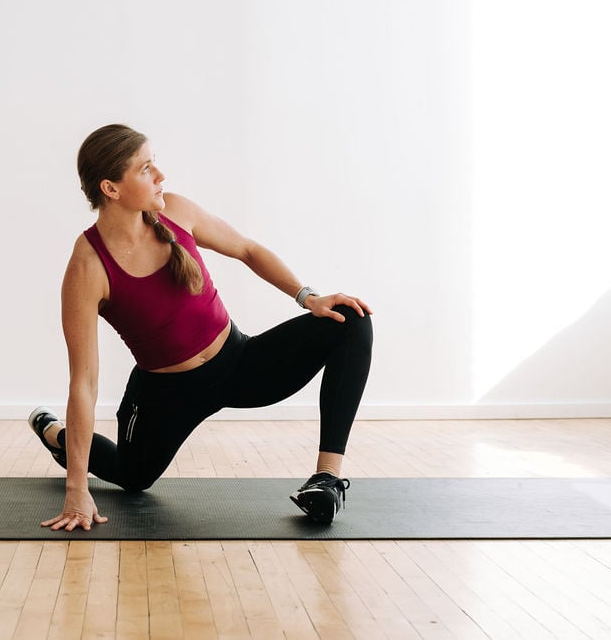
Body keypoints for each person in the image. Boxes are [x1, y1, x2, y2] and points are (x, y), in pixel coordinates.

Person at [29, 124, 373, 532]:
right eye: (146, 169)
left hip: (240, 363)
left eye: (155, 163)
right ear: (111, 188)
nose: (160, 175)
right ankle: (55, 434)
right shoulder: (88, 266)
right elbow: (83, 382)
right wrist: (76, 488)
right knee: (132, 478)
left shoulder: (174, 210)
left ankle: (326, 480)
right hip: (166, 397)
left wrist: (307, 297)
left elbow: (247, 249)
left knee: (350, 321)